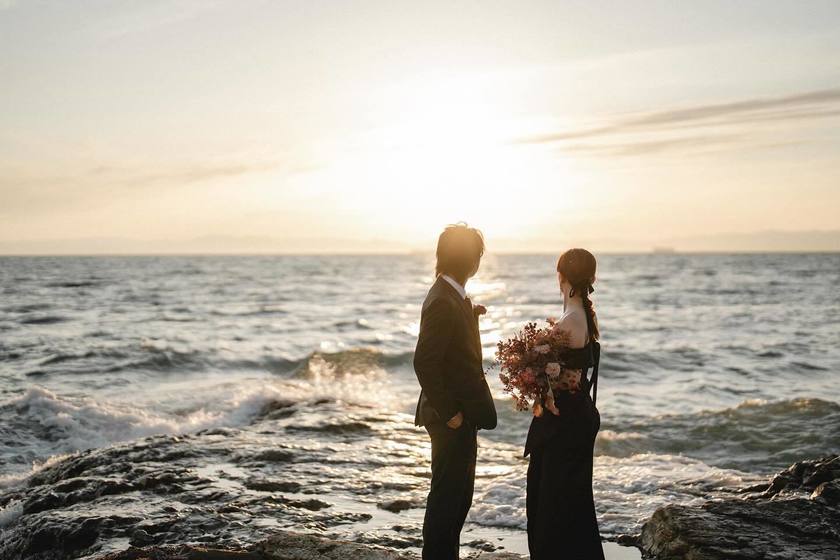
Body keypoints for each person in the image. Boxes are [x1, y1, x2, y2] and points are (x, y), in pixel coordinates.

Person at [413, 223, 497, 560]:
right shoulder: (443, 301)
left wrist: (471, 317)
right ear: (471, 260)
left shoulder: (454, 297)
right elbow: (424, 362)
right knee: (447, 499)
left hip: (461, 414)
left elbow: (450, 352)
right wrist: (450, 414)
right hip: (450, 416)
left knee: (459, 498)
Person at [524, 248, 606, 560]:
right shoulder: (580, 315)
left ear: (563, 277)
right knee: (569, 501)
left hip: (564, 422)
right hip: (574, 417)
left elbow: (555, 377)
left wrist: (529, 372)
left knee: (552, 503)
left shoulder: (571, 320)